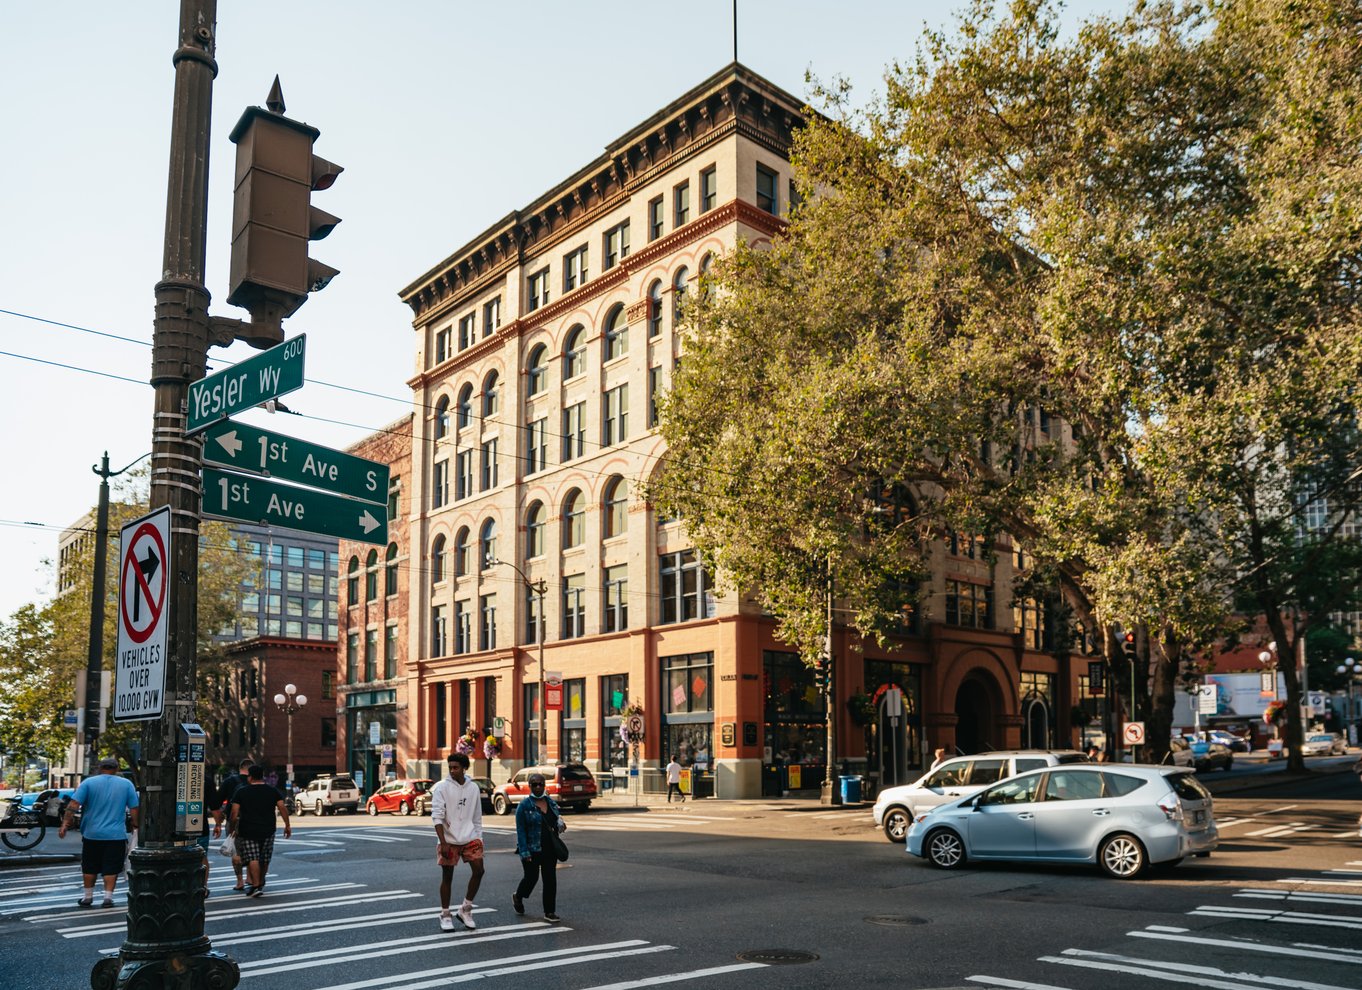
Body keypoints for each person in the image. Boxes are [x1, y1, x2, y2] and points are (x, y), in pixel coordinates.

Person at [59, 756, 139, 908]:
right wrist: (136, 825)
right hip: (116, 835)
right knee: (112, 866)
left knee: (90, 866)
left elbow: (74, 804)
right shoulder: (126, 784)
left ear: (99, 768)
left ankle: (87, 897)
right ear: (116, 769)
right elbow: (134, 808)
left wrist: (65, 824)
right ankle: (108, 898)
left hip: (91, 834)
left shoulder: (88, 783)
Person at [431, 752, 484, 931]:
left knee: (479, 870)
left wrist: (479, 837)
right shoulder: (442, 788)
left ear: (464, 768)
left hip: (470, 837)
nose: (452, 771)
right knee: (447, 877)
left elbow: (477, 816)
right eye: (450, 767)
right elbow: (437, 817)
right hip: (449, 839)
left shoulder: (473, 788)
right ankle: (445, 914)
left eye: (456, 767)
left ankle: (465, 909)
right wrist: (443, 842)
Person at [229, 764, 291, 898]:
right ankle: (261, 882)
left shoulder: (241, 792)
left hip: (248, 830)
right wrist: (287, 825)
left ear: (250, 777)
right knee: (265, 859)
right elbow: (282, 808)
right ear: (262, 777)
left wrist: (232, 829)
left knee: (253, 857)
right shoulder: (272, 791)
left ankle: (256, 886)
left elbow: (234, 814)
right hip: (268, 830)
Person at [513, 771, 565, 923]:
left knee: (550, 880)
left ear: (544, 785)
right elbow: (520, 830)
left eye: (540, 784)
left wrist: (560, 825)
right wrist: (524, 851)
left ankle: (549, 912)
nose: (537, 787)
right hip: (531, 848)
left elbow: (555, 822)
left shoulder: (551, 803)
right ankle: (518, 896)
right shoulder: (524, 806)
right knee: (531, 878)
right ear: (529, 786)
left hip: (550, 849)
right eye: (534, 784)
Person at [219, 758, 252, 892]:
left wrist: (219, 818)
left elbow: (218, 799)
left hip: (235, 820)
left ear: (241, 768)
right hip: (252, 820)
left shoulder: (229, 781)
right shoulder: (255, 782)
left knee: (235, 851)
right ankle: (251, 878)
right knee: (252, 849)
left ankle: (239, 881)